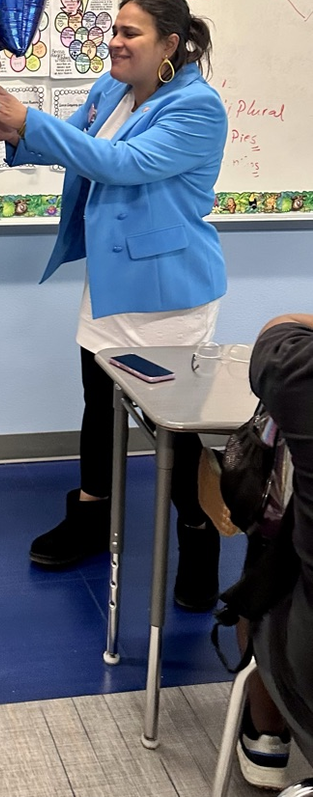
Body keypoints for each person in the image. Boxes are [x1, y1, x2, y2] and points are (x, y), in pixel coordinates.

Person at [0, 0, 227, 611]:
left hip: (167, 295)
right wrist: (14, 131)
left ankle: (199, 541)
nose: (115, 41)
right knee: (97, 402)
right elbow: (80, 149)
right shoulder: (111, 90)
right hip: (112, 284)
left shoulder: (197, 107)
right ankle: (90, 519)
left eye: (131, 33)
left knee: (177, 432)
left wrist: (29, 119)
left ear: (170, 45)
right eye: (114, 29)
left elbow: (118, 162)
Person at [232, 313, 313, 788]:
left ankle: (267, 734)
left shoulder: (299, 367)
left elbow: (277, 333)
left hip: (306, 641)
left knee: (267, 554)